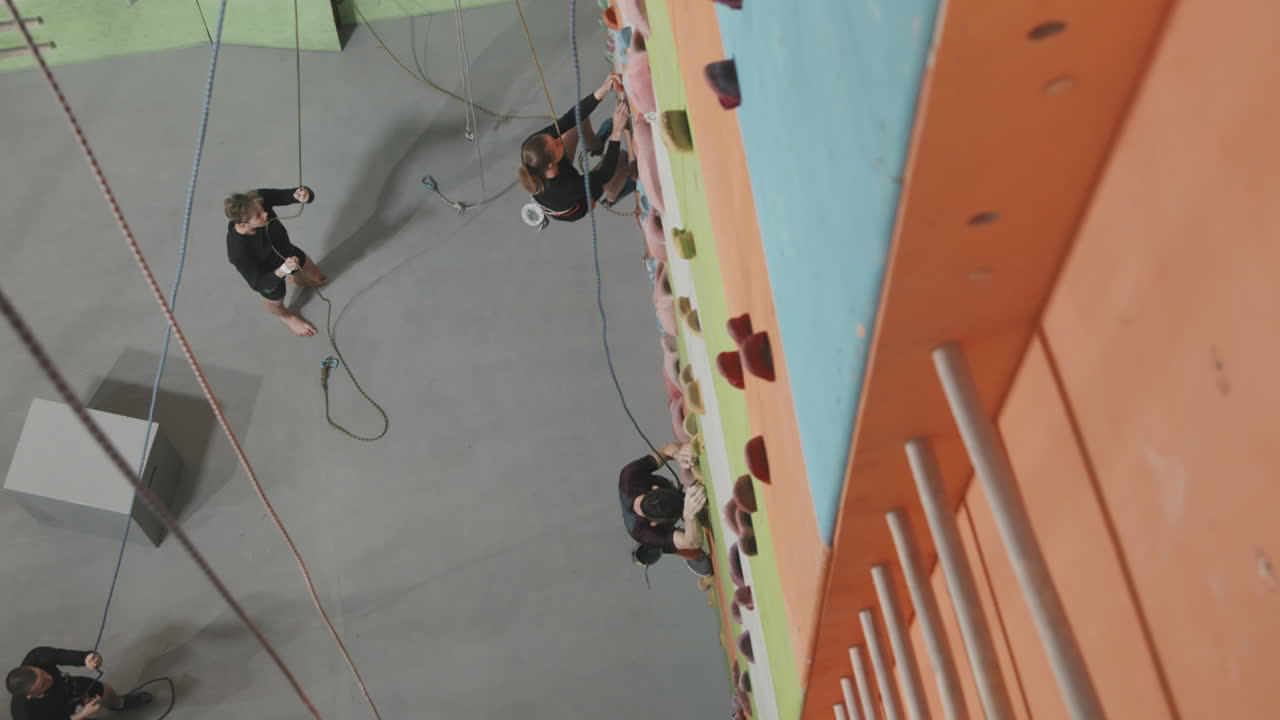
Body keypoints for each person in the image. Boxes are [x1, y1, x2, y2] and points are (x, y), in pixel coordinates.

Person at [518, 73, 636, 223]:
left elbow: (569, 119)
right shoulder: (565, 189)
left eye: (554, 138)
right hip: (577, 202)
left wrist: (603, 89)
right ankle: (614, 194)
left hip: (559, 175)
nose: (559, 139)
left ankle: (596, 145)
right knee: (621, 158)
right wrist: (617, 132)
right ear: (551, 164)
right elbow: (605, 173)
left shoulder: (531, 146)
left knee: (578, 122)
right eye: (557, 143)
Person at [224, 187, 327, 337]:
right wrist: (283, 270)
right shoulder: (237, 251)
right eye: (258, 215)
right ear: (243, 224)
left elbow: (288, 195)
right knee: (275, 302)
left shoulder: (258, 198)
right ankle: (286, 316)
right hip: (269, 275)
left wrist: (302, 195)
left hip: (288, 252)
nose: (265, 213)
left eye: (261, 209)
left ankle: (299, 279)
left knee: (313, 272)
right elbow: (257, 283)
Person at [619, 442, 712, 576]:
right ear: (655, 523)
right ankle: (690, 555)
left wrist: (678, 454)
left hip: (671, 493)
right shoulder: (645, 533)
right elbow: (692, 543)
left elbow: (665, 451)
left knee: (687, 460)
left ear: (655, 488)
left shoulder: (630, 475)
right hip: (660, 533)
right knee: (688, 549)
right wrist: (689, 516)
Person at [7, 647, 151, 720]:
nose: (49, 677)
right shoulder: (25, 714)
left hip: (68, 687)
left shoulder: (37, 657)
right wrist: (83, 715)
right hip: (55, 714)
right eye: (43, 683)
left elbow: (63, 655)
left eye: (42, 672)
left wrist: (88, 658)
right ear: (31, 695)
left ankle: (119, 704)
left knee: (105, 690)